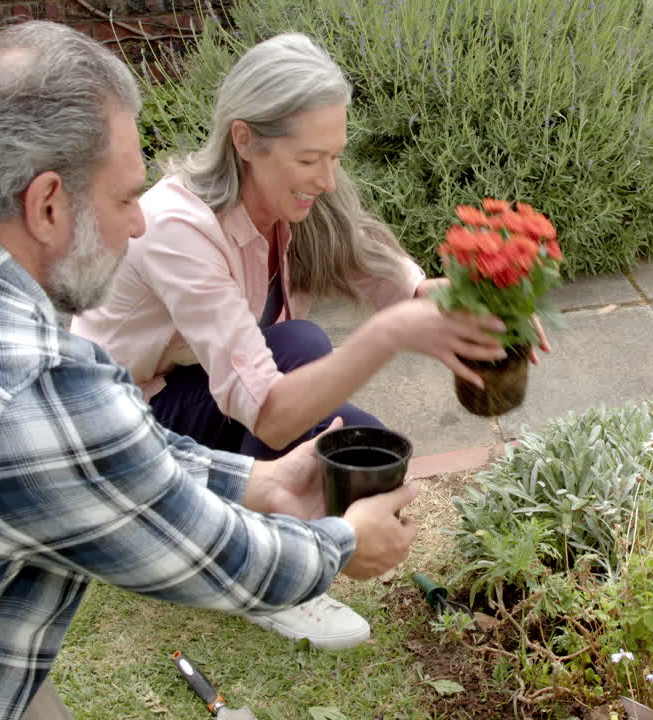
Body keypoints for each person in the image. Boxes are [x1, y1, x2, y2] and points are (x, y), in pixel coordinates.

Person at [0, 21, 417, 720]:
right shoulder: (30, 386)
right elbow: (205, 554)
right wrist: (340, 543)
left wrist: (260, 480)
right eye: (123, 199)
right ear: (48, 204)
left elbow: (111, 459)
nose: (139, 226)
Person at [71, 33, 537, 648]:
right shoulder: (178, 228)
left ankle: (284, 530)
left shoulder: (291, 192)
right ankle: (276, 582)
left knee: (344, 428)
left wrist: (480, 308)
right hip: (119, 417)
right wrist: (390, 334)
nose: (326, 177)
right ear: (245, 139)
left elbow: (376, 266)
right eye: (310, 159)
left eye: (335, 156)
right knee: (312, 387)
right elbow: (268, 413)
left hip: (190, 382)